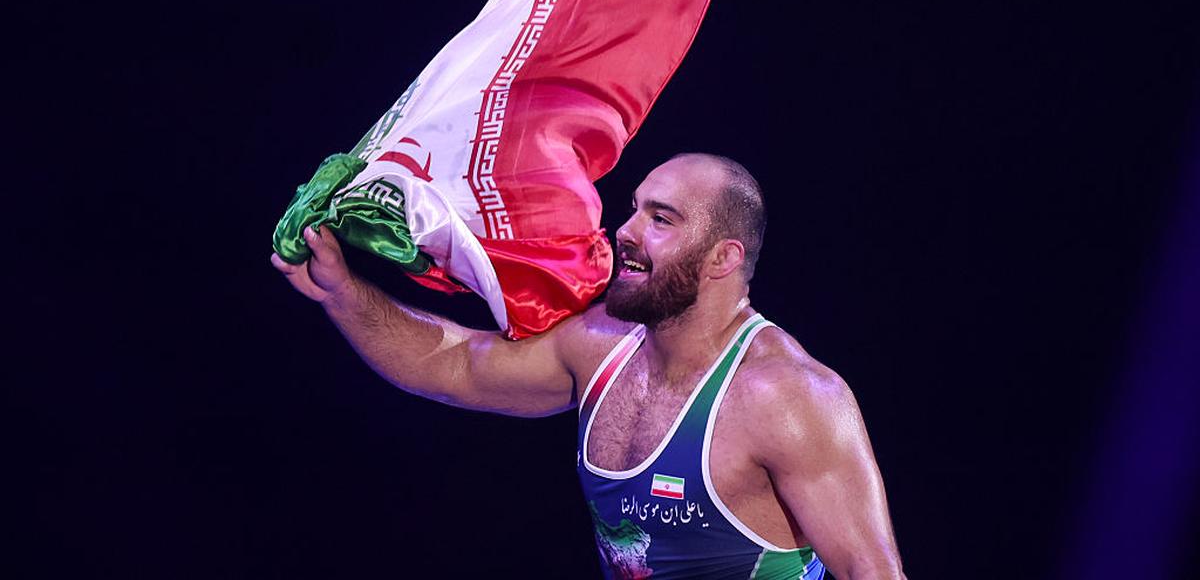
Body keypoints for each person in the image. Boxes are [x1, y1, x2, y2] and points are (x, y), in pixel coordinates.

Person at [272, 153, 906, 579]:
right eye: (635, 208)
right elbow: (456, 366)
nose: (625, 231)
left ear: (723, 258)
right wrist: (341, 293)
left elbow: (873, 573)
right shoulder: (601, 345)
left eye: (661, 220)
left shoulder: (787, 397)